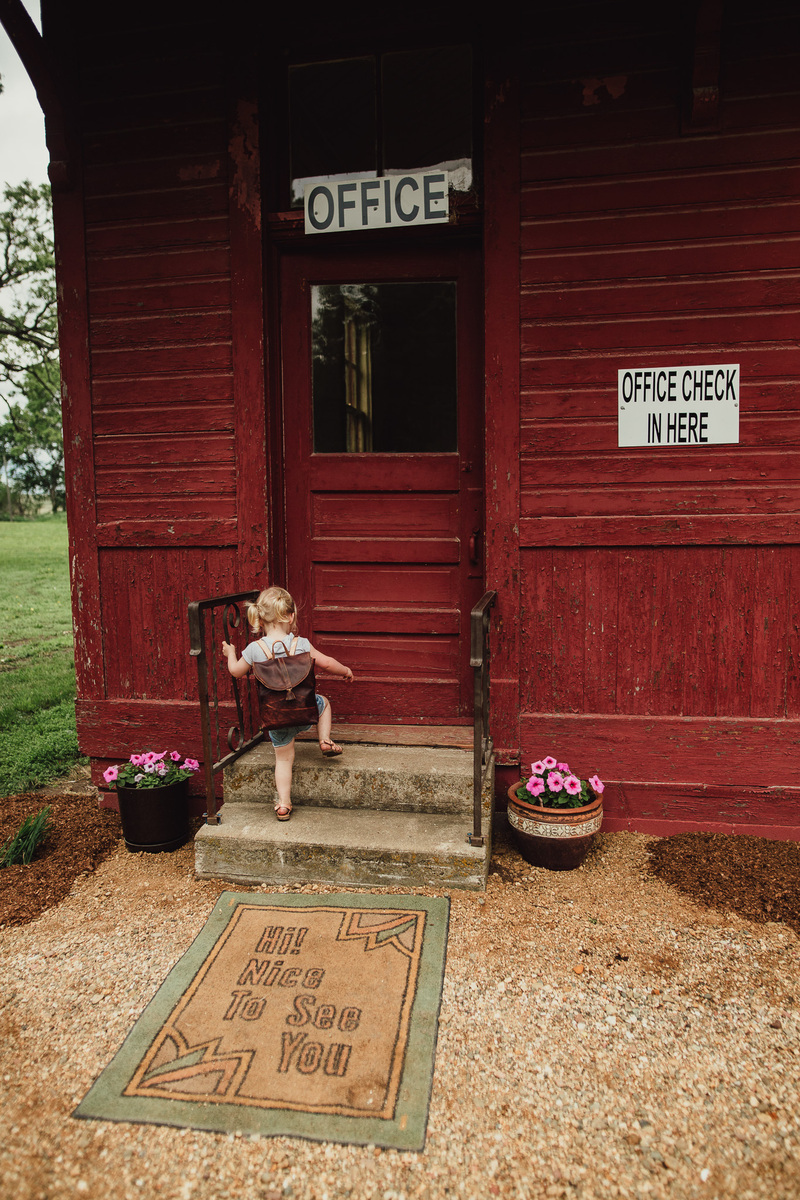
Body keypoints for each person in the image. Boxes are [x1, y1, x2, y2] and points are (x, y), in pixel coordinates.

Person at [221, 586, 354, 822]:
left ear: (259, 619)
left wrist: (230, 653)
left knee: (283, 760)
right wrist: (345, 670)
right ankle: (324, 740)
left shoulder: (254, 649)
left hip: (277, 717)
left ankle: (283, 804)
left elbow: (236, 671)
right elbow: (326, 663)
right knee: (324, 703)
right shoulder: (301, 644)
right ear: (291, 616)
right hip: (305, 710)